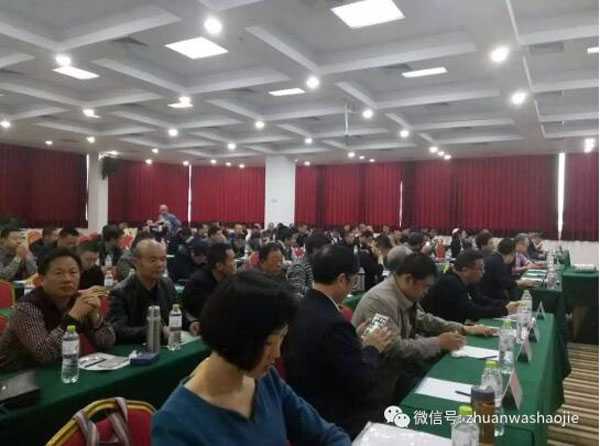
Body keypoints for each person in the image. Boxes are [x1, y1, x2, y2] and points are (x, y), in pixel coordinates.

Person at [152, 271, 351, 445]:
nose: (277, 354)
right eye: (268, 343)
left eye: (282, 338)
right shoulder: (175, 424)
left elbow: (327, 435)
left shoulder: (266, 380)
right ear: (236, 338)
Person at [284, 245, 393, 438]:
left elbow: (328, 353)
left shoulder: (301, 306)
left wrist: (353, 339)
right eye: (354, 280)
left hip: (305, 407)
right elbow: (361, 381)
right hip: (334, 418)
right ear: (342, 279)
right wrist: (372, 348)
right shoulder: (334, 323)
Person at [352, 253, 493, 398]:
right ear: (409, 279)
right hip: (377, 381)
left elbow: (423, 319)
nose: (427, 292)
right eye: (426, 287)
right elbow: (394, 348)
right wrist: (438, 343)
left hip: (398, 371)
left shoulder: (402, 291)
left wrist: (462, 328)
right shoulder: (380, 301)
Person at [0, 249, 115, 371]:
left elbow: (106, 343)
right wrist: (74, 316)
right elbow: (44, 355)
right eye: (59, 273)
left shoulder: (77, 300)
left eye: (73, 272)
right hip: (14, 375)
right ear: (41, 279)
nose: (67, 279)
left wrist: (95, 316)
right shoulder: (26, 308)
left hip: (59, 369)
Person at [108, 239, 197, 343]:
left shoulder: (167, 284)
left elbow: (179, 311)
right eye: (153, 260)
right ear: (136, 263)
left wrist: (191, 323)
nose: (160, 264)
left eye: (163, 259)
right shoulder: (120, 292)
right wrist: (155, 332)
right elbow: (117, 330)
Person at [421, 250, 520, 323]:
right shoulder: (450, 282)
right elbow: (471, 311)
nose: (483, 272)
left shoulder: (468, 280)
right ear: (465, 270)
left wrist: (507, 303)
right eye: (480, 269)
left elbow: (479, 299)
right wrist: (504, 310)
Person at [181, 243, 236, 323]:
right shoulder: (198, 284)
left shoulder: (227, 279)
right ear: (219, 266)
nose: (235, 263)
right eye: (232, 260)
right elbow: (209, 314)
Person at [480, 238, 535, 303]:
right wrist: (521, 282)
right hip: (491, 299)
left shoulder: (495, 258)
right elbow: (505, 283)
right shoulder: (497, 262)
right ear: (512, 253)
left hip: (490, 295)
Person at [287, 231, 331, 299]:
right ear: (315, 250)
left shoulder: (316, 263)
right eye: (325, 250)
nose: (327, 254)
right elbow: (296, 291)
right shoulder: (299, 266)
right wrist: (320, 294)